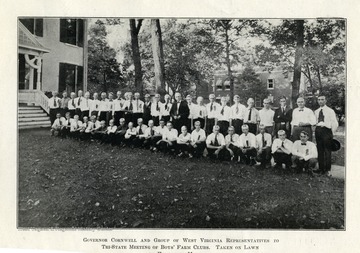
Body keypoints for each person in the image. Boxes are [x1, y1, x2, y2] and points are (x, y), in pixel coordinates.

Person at [314, 94, 339, 175]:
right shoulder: (316, 111)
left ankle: (327, 169)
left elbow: (334, 123)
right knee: (320, 149)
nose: (320, 101)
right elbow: (315, 122)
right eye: (319, 100)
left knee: (327, 150)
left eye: (322, 99)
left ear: (325, 101)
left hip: (326, 131)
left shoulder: (330, 111)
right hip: (318, 130)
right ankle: (321, 168)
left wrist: (331, 133)